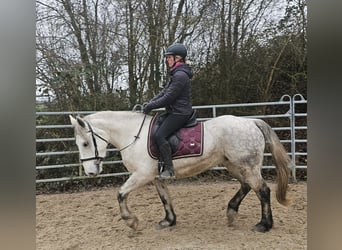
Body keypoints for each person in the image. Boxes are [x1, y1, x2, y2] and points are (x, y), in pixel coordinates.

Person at [143, 43, 194, 179]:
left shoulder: (180, 75)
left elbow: (168, 97)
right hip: (174, 111)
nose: (167, 60)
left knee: (159, 135)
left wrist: (151, 107)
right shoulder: (176, 73)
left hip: (180, 113)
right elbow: (164, 92)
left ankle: (169, 169)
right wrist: (150, 103)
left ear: (178, 58)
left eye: (169, 57)